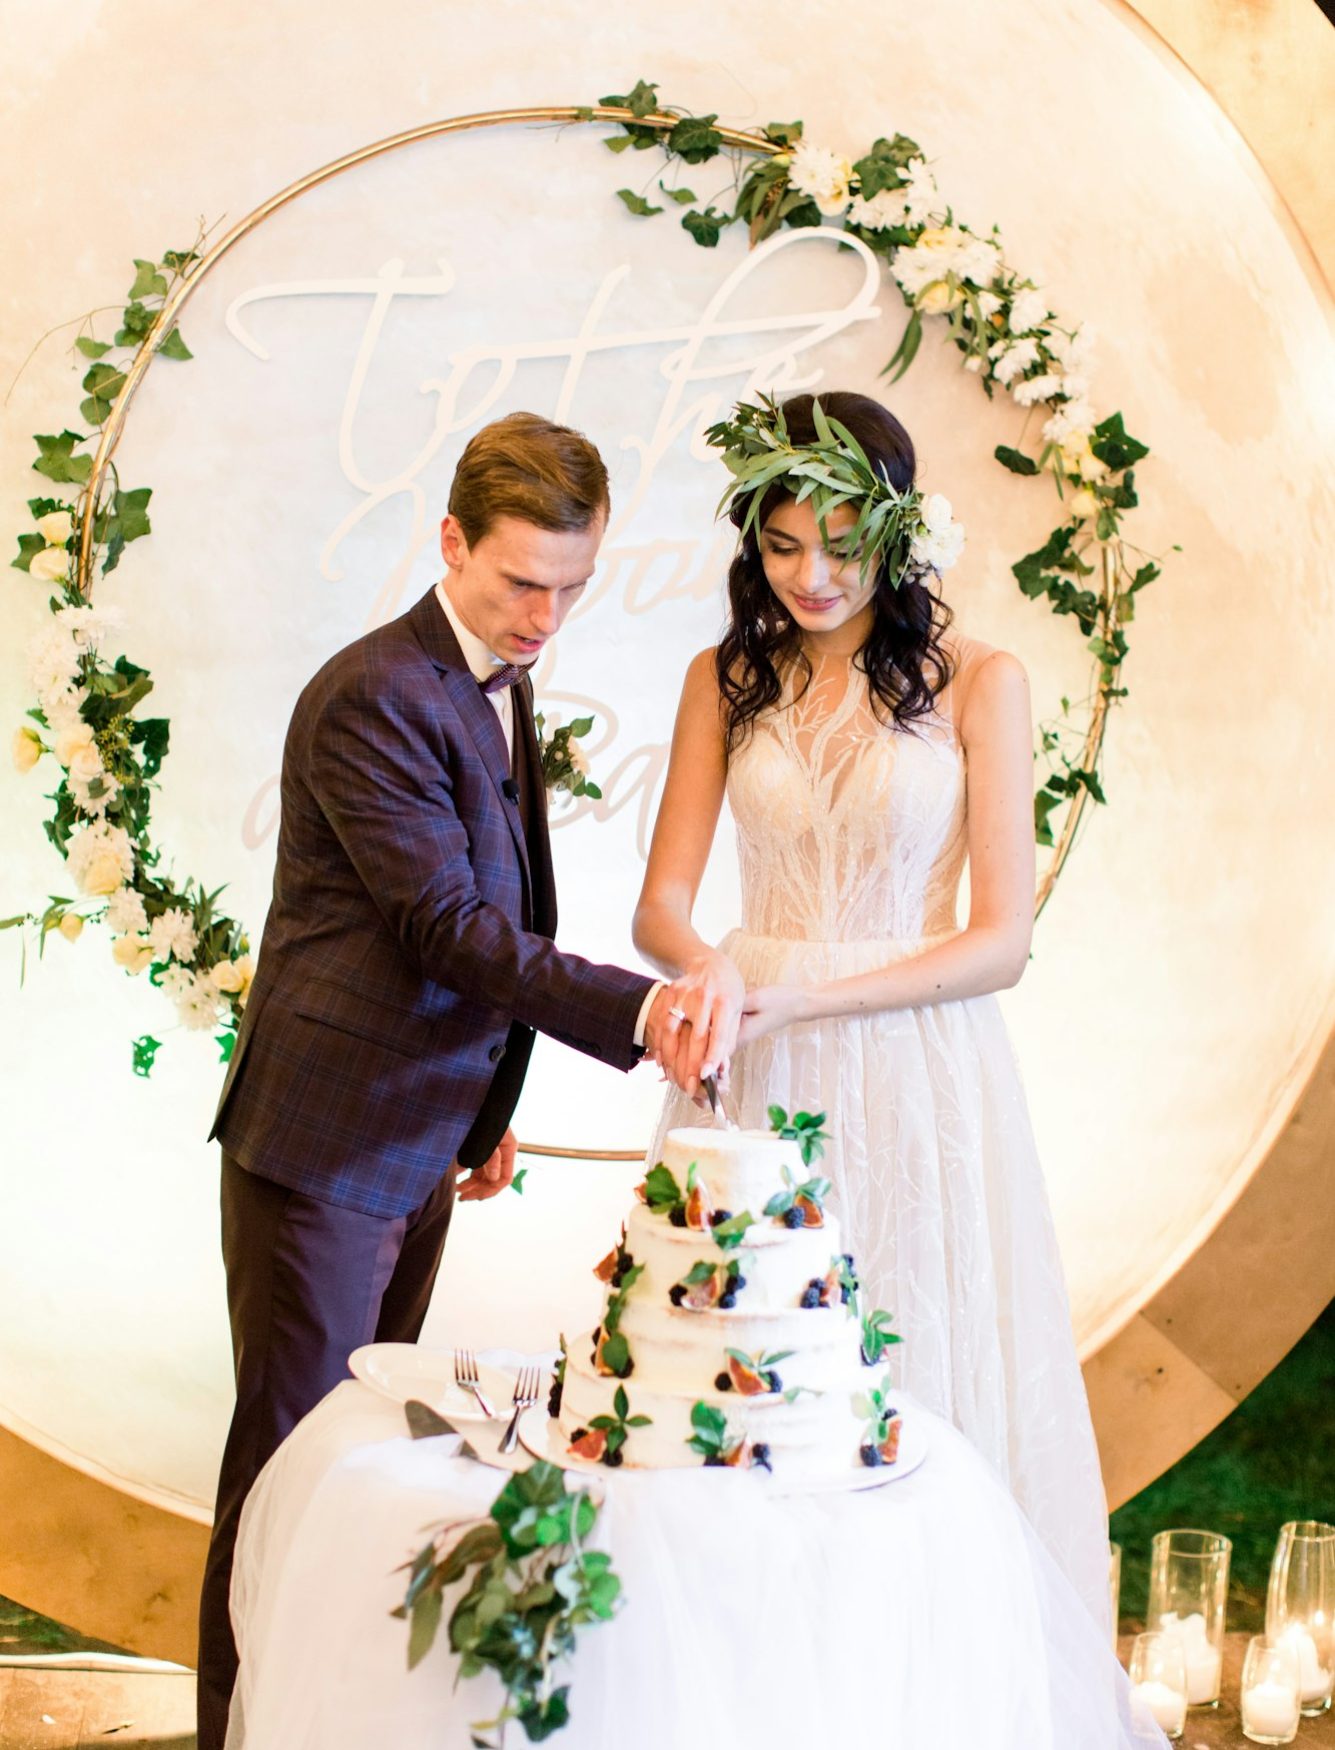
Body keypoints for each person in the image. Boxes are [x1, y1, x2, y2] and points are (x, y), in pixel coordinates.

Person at [196, 411, 706, 1750]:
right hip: (323, 1149)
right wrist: (643, 1011)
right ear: (447, 544)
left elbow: (483, 913)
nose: (544, 614)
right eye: (517, 582)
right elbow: (451, 930)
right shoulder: (376, 692)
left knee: (360, 1467)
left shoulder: (491, 674)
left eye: (570, 585)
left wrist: (483, 1113)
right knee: (288, 1483)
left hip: (412, 1142)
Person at [633, 390, 1112, 1626]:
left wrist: (807, 992)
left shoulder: (981, 682)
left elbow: (1001, 941)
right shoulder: (725, 678)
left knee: (909, 1360)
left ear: (898, 535)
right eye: (783, 545)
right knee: (741, 1383)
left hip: (916, 1067)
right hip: (752, 1065)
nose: (812, 574)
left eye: (842, 545)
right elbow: (661, 908)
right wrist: (723, 971)